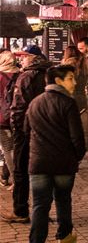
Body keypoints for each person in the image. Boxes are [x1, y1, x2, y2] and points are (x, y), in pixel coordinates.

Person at [26, 64, 86, 243]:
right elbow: (77, 138)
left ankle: (36, 240)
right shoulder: (68, 103)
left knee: (39, 206)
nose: (74, 83)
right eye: (70, 78)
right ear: (58, 81)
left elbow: (24, 131)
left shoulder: (34, 103)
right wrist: (76, 157)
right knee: (63, 201)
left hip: (38, 163)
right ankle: (65, 237)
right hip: (63, 164)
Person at [1, 45, 50, 223]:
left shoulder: (27, 77)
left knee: (21, 170)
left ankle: (20, 211)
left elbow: (18, 108)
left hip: (25, 130)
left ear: (33, 57)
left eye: (25, 56)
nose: (21, 59)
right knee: (42, 172)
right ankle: (41, 211)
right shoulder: (49, 74)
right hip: (45, 131)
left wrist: (16, 129)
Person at [62, 46, 88, 152]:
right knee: (80, 126)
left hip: (70, 97)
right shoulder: (84, 65)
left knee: (69, 127)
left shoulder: (68, 66)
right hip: (82, 98)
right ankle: (84, 146)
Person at [0, 50, 20, 189]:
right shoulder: (20, 74)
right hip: (18, 115)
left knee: (7, 149)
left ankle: (16, 180)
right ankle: (10, 176)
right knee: (16, 148)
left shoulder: (0, 76)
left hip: (3, 118)